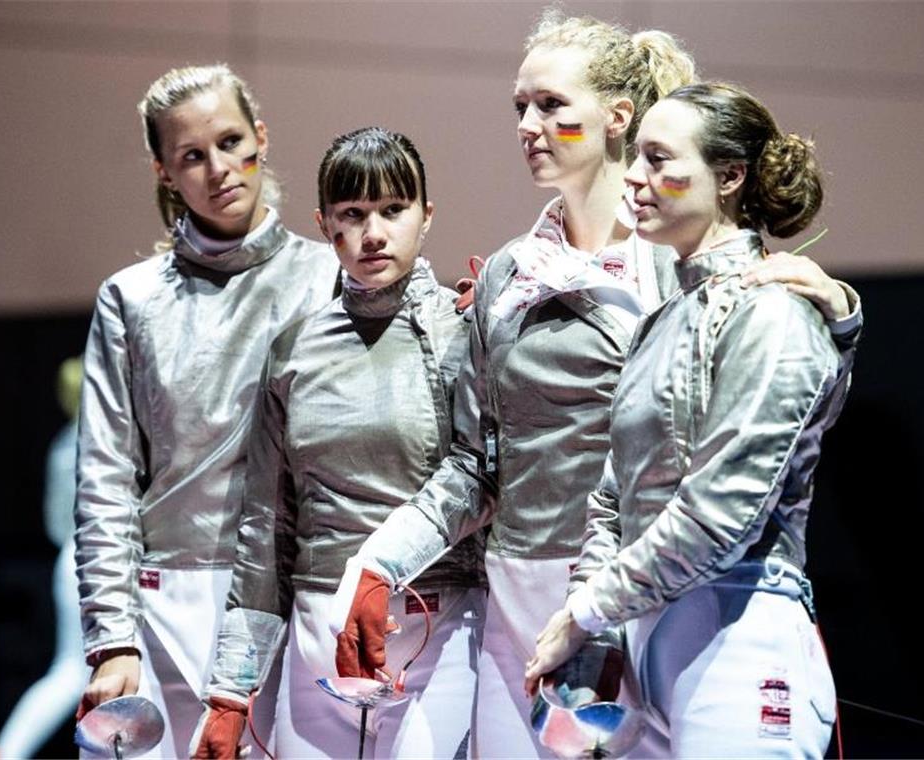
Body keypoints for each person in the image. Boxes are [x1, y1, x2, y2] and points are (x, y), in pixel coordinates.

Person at [334, 9, 861, 758]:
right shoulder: (509, 276)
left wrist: (842, 320)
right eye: (520, 106)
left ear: (618, 116)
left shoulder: (677, 267)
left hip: (660, 592)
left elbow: (770, 431)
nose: (529, 123)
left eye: (551, 105)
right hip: (526, 597)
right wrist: (382, 559)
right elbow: (476, 465)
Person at [526, 81, 847, 758]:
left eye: (659, 159)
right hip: (647, 649)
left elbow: (722, 514)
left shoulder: (773, 309)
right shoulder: (663, 320)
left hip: (742, 638)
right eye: (635, 157)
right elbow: (614, 502)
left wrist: (585, 612)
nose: (635, 178)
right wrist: (595, 630)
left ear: (729, 176)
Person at [187, 127, 486, 760]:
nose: (374, 232)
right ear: (325, 224)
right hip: (316, 635)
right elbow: (266, 527)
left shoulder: (465, 331)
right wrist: (229, 692)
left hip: (439, 626)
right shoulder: (293, 351)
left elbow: (482, 481)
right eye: (353, 214)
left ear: (425, 216)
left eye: (393, 210)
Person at [72, 63, 340, 758]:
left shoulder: (330, 279)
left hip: (293, 601)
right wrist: (112, 639)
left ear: (261, 137)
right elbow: (104, 478)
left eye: (230, 142)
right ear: (165, 171)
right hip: (162, 612)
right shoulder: (130, 300)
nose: (219, 168)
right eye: (192, 155)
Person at [0, 357, 90, 760]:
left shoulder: (61, 444)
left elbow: (55, 523)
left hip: (70, 556)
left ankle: (5, 750)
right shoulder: (102, 441)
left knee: (73, 671)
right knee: (86, 671)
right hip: (98, 557)